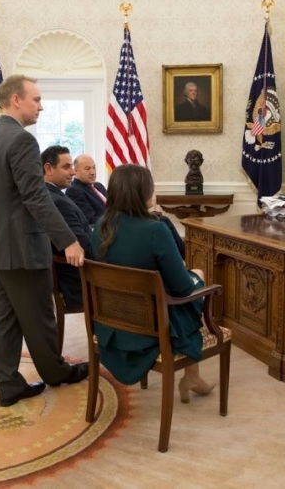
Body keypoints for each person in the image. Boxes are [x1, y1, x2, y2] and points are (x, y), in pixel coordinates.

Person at [0, 75, 88, 408]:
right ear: (16, 101)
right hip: (21, 248)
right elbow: (36, 198)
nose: (41, 105)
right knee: (40, 317)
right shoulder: (22, 141)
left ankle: (9, 384)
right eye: (36, 99)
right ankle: (57, 373)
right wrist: (68, 240)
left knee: (4, 318)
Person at [90, 164, 213, 402]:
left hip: (111, 321)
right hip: (151, 326)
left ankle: (192, 376)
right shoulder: (155, 230)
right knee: (198, 278)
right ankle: (192, 375)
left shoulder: (98, 228)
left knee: (187, 280)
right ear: (142, 193)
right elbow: (183, 289)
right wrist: (197, 277)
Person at [42, 144, 91, 313]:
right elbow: (84, 246)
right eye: (66, 167)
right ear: (48, 168)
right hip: (80, 282)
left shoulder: (51, 195)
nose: (72, 172)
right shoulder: (58, 202)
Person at [65, 154, 108, 226]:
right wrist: (115, 218)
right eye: (87, 169)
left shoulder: (99, 186)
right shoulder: (74, 191)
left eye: (94, 168)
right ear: (76, 171)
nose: (92, 172)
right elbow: (90, 220)